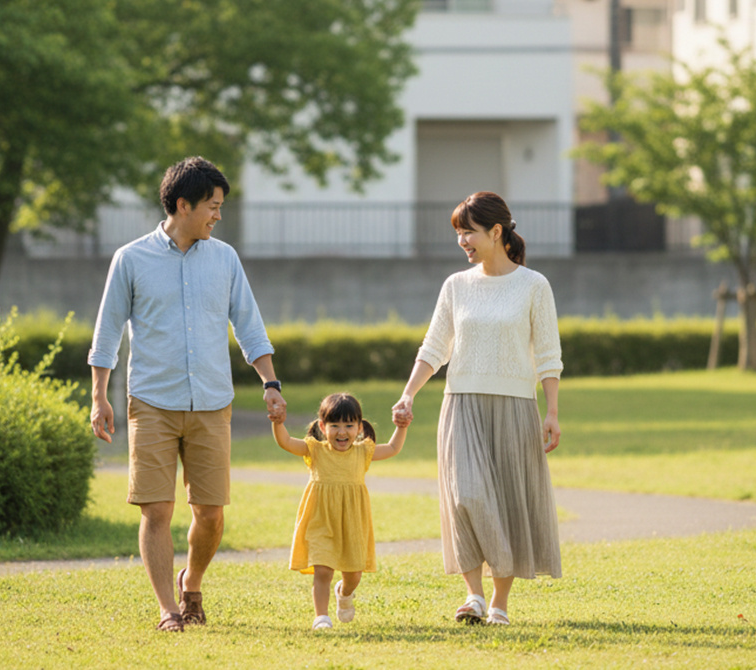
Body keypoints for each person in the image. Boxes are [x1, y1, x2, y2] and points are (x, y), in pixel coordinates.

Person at [88, 156, 287, 632]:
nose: (218, 215)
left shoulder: (225, 259)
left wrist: (271, 383)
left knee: (212, 514)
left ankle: (191, 581)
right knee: (157, 510)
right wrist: (99, 397)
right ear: (183, 204)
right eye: (212, 206)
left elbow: (249, 326)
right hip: (152, 402)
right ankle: (168, 610)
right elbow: (107, 332)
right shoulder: (131, 259)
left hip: (212, 402)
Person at [391, 191, 563, 627]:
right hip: (461, 404)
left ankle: (500, 602)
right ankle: (473, 595)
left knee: (507, 501)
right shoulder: (456, 286)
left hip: (515, 407)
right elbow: (434, 348)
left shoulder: (534, 285)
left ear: (497, 232)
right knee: (465, 495)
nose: (462, 241)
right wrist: (409, 392)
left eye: (468, 232)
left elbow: (548, 354)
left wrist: (552, 411)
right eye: (458, 233)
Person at [271, 392, 409, 630]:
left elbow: (394, 447)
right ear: (323, 427)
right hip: (321, 520)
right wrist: (278, 422)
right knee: (323, 569)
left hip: (352, 522)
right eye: (334, 425)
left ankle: (344, 593)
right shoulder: (315, 450)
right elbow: (285, 442)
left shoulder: (363, 452)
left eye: (349, 425)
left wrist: (402, 426)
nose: (342, 432)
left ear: (358, 427)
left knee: (354, 573)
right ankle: (321, 617)